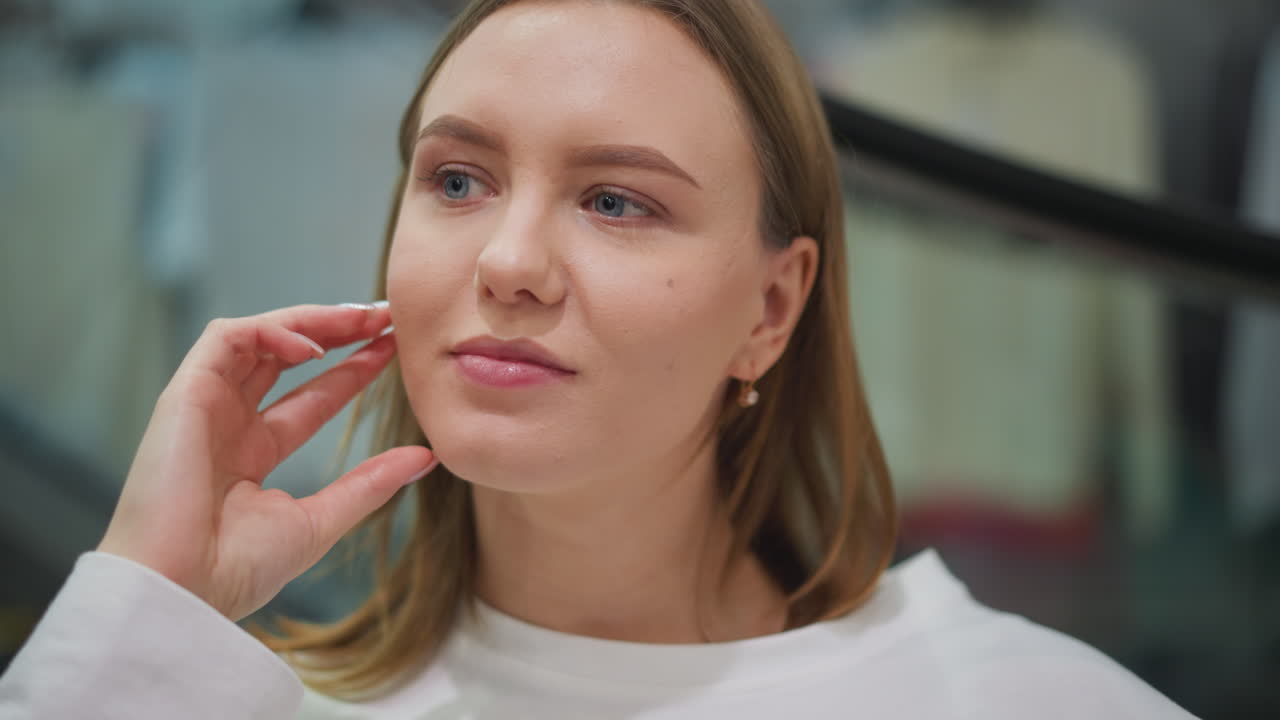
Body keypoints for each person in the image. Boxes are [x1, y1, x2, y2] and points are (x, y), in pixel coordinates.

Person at [0, 0, 1197, 717]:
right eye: (457, 180)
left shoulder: (1022, 704)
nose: (509, 261)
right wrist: (146, 600)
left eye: (617, 202)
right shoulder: (211, 696)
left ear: (769, 311)